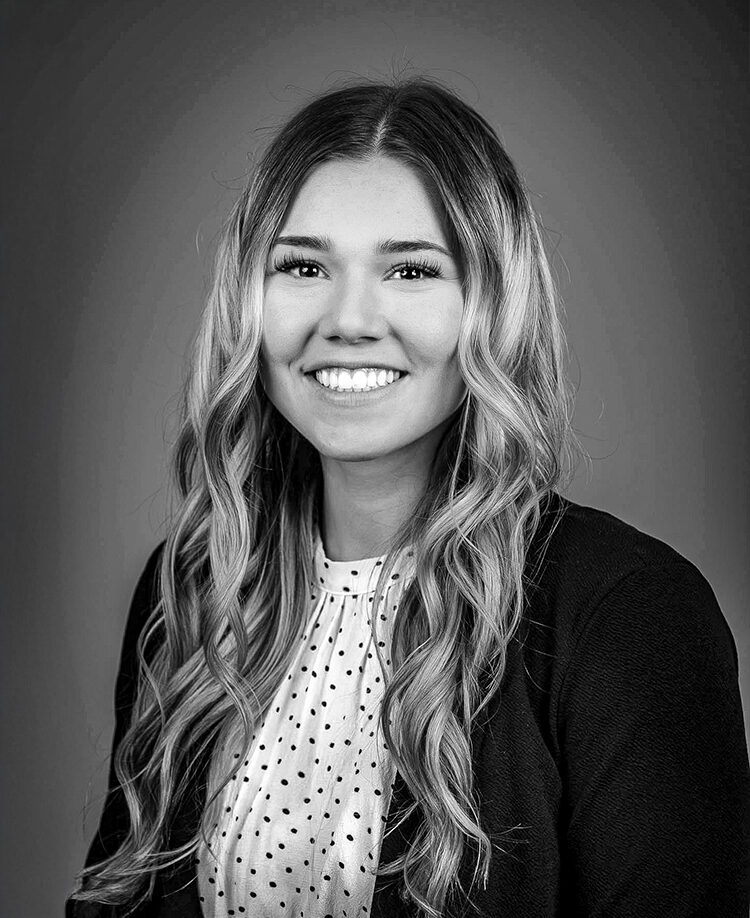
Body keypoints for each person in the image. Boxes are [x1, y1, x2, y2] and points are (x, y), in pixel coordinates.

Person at [67, 78, 750, 918]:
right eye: (304, 265)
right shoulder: (194, 588)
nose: (350, 319)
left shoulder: (628, 612)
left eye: (413, 269)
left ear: (490, 307)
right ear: (251, 298)